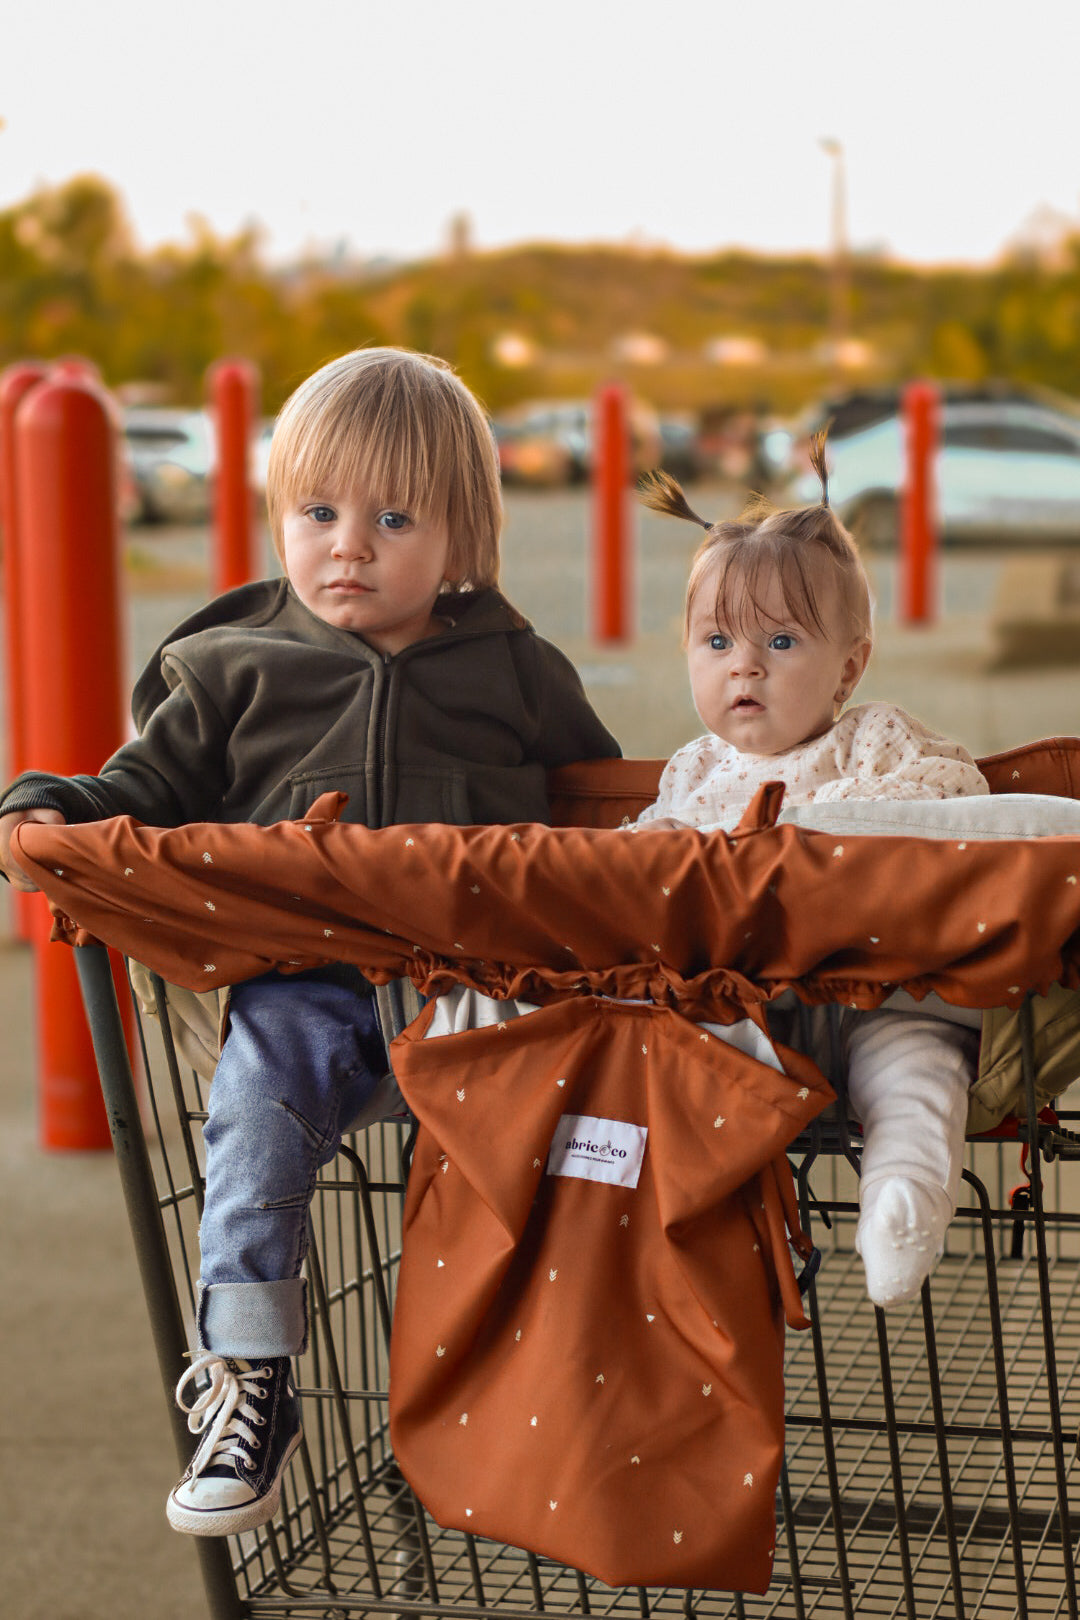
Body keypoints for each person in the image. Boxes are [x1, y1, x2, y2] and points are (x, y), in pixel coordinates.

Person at [0, 347, 619, 1536]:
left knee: (590, 1102)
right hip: (308, 984)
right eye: (319, 512)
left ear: (462, 540)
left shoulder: (514, 670)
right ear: (279, 516)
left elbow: (597, 805)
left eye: (394, 519)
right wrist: (49, 806)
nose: (351, 546)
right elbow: (141, 783)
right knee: (256, 1106)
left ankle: (566, 1363)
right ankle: (249, 1373)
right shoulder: (233, 666)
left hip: (476, 984)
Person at [634, 433, 988, 1310]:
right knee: (670, 1059)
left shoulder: (869, 738)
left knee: (921, 1066)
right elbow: (636, 864)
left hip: (869, 990)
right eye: (716, 641)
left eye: (781, 641)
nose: (744, 664)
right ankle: (717, 1234)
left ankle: (903, 1195)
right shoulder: (692, 771)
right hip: (743, 1013)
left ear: (849, 668)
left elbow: (954, 790)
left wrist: (813, 828)